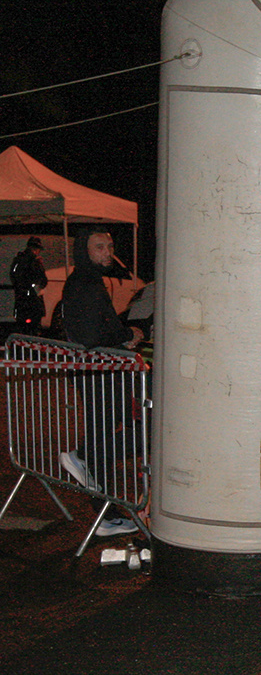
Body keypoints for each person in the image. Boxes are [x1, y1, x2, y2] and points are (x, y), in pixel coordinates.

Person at [57, 227, 144, 538]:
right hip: (98, 373)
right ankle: (87, 461)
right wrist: (126, 335)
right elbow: (92, 335)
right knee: (137, 428)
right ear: (85, 251)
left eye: (109, 246)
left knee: (107, 433)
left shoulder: (87, 281)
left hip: (97, 372)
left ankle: (104, 511)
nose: (107, 252)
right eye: (99, 247)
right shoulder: (85, 284)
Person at [9, 236, 48, 333]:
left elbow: (13, 276)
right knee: (34, 328)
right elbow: (43, 280)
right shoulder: (35, 262)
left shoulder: (18, 260)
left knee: (22, 327)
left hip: (20, 300)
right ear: (36, 250)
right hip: (33, 301)